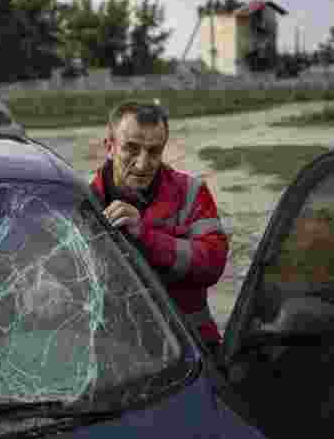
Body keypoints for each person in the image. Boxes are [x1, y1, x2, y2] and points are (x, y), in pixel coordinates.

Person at [90, 101, 229, 352]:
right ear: (109, 147)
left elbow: (214, 264)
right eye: (131, 149)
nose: (143, 164)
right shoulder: (85, 203)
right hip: (117, 348)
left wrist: (145, 236)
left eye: (154, 152)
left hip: (191, 343)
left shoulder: (191, 192)